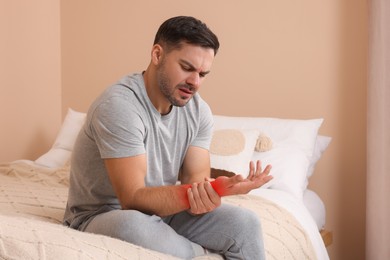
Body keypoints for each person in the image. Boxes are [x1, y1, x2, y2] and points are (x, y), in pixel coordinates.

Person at [63, 16, 272, 259]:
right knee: (134, 225)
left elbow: (195, 185)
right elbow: (132, 198)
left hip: (164, 211)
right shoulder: (119, 106)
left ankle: (186, 247)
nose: (194, 82)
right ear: (157, 55)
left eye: (203, 74)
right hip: (104, 214)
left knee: (245, 224)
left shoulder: (198, 111)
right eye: (187, 68)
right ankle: (194, 251)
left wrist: (216, 191)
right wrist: (199, 193)